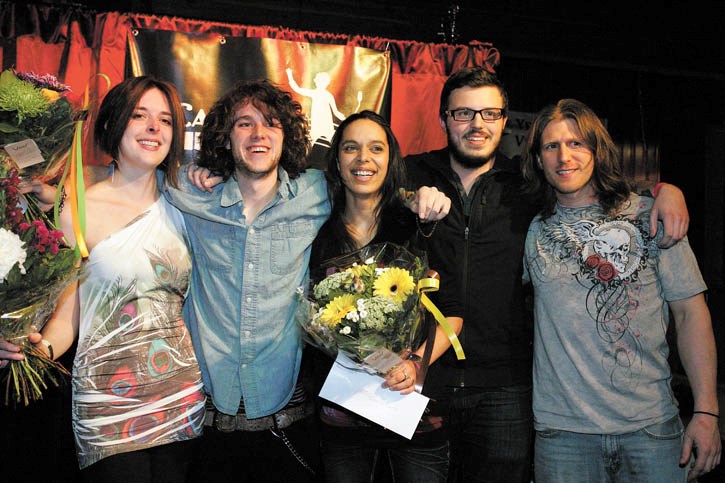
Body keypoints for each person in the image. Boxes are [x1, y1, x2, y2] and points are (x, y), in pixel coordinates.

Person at [403, 67, 691, 482]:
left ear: (504, 120)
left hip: (508, 390)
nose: (476, 124)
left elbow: (591, 183)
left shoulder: (526, 187)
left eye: (489, 113)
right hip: (423, 378)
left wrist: (665, 190)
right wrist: (409, 196)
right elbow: (357, 189)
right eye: (463, 113)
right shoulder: (412, 174)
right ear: (444, 118)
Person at [167, 80, 450, 481]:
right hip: (207, 419)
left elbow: (371, 187)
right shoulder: (191, 195)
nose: (259, 134)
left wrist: (416, 198)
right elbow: (128, 177)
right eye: (244, 124)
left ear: (287, 137)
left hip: (291, 420)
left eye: (271, 124)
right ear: (225, 138)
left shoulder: (317, 192)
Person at [1, 76, 206, 480]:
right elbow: (68, 315)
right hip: (106, 400)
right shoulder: (74, 210)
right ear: (114, 124)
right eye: (140, 115)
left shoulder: (187, 205)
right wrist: (34, 350)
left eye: (165, 120)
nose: (153, 128)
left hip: (179, 396)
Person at [520, 98, 720, 482]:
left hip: (651, 429)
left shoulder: (652, 215)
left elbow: (691, 313)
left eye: (577, 143)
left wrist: (707, 412)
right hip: (563, 435)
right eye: (551, 146)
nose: (565, 156)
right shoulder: (531, 230)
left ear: (597, 149)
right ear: (538, 159)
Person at [308, 110, 462, 482]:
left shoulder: (419, 224)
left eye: (376, 148)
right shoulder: (316, 232)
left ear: (391, 159)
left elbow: (455, 312)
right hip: (342, 416)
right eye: (351, 148)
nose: (364, 159)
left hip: (413, 413)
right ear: (337, 161)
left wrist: (414, 365)